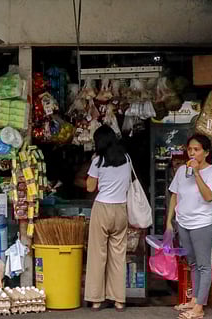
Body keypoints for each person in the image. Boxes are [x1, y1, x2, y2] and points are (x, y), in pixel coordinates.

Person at [166, 134, 212, 319]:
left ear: (206, 153)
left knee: (204, 265)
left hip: (202, 223)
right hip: (184, 222)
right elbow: (174, 195)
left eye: (196, 150)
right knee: (193, 263)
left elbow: (208, 197)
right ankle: (194, 299)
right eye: (190, 149)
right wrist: (169, 222)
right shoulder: (181, 170)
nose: (192, 153)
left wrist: (197, 173)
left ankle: (199, 309)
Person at [84, 125, 131, 312]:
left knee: (97, 255)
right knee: (118, 256)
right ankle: (119, 299)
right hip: (121, 209)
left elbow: (89, 187)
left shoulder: (97, 161)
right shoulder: (126, 158)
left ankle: (96, 299)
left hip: (102, 207)